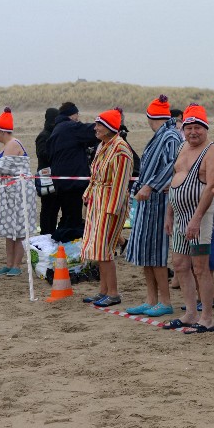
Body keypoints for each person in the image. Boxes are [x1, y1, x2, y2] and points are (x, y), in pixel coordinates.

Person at [164, 104, 214, 333]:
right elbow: (174, 181)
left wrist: (196, 218)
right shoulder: (182, 148)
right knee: (179, 264)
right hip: (179, 216)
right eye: (188, 128)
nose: (192, 132)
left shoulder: (212, 150)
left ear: (205, 128)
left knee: (200, 267)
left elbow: (211, 187)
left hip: (200, 216)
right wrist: (169, 214)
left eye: (197, 127)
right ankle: (190, 312)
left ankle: (206, 317)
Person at [124, 96, 183, 318]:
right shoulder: (161, 135)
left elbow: (172, 166)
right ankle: (151, 299)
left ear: (150, 117)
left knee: (156, 251)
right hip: (146, 200)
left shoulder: (170, 136)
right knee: (145, 252)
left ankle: (165, 300)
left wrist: (150, 186)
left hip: (158, 201)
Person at [80, 108, 134, 307]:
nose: (95, 128)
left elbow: (120, 185)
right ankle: (102, 290)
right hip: (98, 202)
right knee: (97, 248)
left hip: (110, 205)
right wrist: (88, 195)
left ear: (110, 127)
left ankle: (113, 292)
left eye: (99, 125)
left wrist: (111, 211)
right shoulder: (103, 145)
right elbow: (95, 176)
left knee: (104, 249)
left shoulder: (120, 149)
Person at [0, 108, 37, 276]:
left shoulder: (13, 144)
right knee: (9, 230)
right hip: (9, 193)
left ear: (2, 131)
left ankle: (16, 265)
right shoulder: (6, 146)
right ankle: (8, 264)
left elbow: (1, 166)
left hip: (19, 193)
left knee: (19, 230)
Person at [47, 102, 99, 241]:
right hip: (72, 182)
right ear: (72, 114)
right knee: (73, 219)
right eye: (77, 114)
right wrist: (105, 126)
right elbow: (91, 131)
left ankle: (61, 242)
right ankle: (67, 246)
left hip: (61, 181)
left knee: (67, 216)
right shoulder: (69, 127)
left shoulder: (58, 128)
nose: (78, 117)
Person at [34, 108, 60, 236]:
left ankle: (52, 232)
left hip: (55, 177)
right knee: (47, 208)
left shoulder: (54, 134)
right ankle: (45, 234)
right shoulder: (43, 135)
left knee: (54, 208)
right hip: (45, 178)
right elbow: (42, 154)